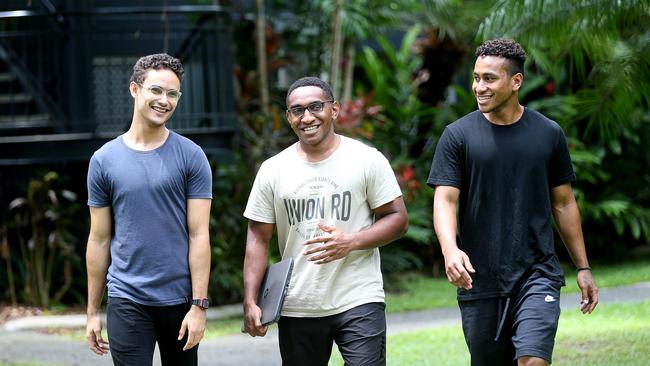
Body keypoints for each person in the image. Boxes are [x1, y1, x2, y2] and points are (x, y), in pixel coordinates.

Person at [428, 39, 599, 366]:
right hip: (479, 279)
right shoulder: (458, 136)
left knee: (533, 360)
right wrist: (450, 249)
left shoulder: (548, 134)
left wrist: (583, 266)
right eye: (476, 78)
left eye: (489, 78)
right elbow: (446, 200)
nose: (479, 86)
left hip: (538, 273)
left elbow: (563, 203)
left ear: (516, 82)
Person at [242, 76, 408, 365]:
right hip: (298, 305)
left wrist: (351, 241)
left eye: (315, 107)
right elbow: (258, 237)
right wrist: (251, 299)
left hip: (358, 297)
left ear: (334, 110)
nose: (307, 117)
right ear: (289, 117)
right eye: (297, 110)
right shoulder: (272, 170)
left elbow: (397, 219)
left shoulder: (366, 159)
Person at [85, 53, 212, 366]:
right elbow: (99, 239)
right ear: (134, 89)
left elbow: (199, 235)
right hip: (127, 297)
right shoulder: (103, 160)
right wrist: (91, 312)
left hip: (180, 300)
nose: (164, 100)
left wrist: (199, 305)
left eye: (172, 94)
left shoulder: (192, 156)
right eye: (156, 90)